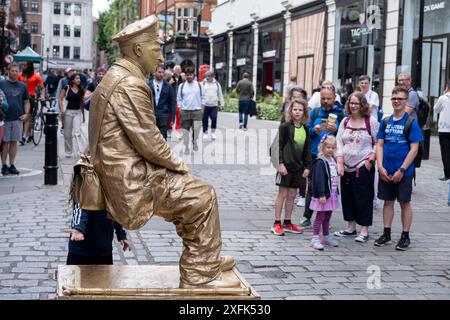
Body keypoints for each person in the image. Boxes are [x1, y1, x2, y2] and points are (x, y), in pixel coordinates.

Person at [86, 15, 238, 289]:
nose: (160, 57)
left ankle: (205, 257)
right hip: (128, 182)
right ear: (138, 50)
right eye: (156, 49)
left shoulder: (114, 76)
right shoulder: (130, 84)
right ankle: (200, 272)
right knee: (203, 195)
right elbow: (150, 142)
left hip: (117, 173)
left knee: (192, 196)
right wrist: (181, 166)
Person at [374, 86, 423, 251]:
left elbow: (414, 149)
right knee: (388, 202)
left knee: (404, 203)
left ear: (405, 101)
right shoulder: (385, 121)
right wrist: (380, 166)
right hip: (386, 170)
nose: (396, 101)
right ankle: (386, 233)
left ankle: (405, 236)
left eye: (400, 99)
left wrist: (402, 170)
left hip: (404, 172)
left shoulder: (411, 122)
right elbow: (380, 145)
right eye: (394, 98)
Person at [335, 92, 378, 242]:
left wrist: (370, 161)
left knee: (364, 197)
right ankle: (350, 227)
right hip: (346, 167)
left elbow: (378, 142)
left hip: (362, 165)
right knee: (347, 197)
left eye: (356, 103)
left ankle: (364, 230)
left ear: (362, 105)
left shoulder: (370, 121)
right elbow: (339, 141)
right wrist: (340, 161)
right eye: (351, 103)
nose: (353, 106)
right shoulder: (345, 121)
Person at [300, 87, 344, 228]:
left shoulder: (340, 114)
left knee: (330, 186)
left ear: (334, 98)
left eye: (328, 98)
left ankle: (325, 218)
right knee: (312, 186)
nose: (325, 101)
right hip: (315, 155)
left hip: (332, 156)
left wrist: (336, 131)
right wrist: (314, 130)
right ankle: (307, 216)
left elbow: (344, 135)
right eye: (323, 98)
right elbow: (307, 132)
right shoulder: (315, 112)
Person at [272, 99, 311, 236]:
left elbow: (307, 150)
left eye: (300, 110)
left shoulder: (305, 129)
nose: (297, 112)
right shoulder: (285, 127)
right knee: (282, 194)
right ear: (290, 111)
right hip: (285, 167)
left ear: (304, 112)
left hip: (297, 168)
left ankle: (287, 222)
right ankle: (276, 223)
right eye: (295, 109)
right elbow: (276, 147)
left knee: (292, 195)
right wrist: (280, 164)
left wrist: (307, 166)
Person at [65, 202, 131, 265]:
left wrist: (121, 233)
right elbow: (81, 208)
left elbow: (116, 210)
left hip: (104, 249)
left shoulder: (113, 190)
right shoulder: (83, 190)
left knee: (104, 276)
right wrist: (78, 228)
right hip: (81, 251)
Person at [309, 135, 340, 250]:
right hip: (323, 195)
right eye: (328, 147)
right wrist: (321, 194)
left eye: (333, 147)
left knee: (327, 216)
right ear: (322, 147)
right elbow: (319, 179)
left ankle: (326, 236)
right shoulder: (320, 162)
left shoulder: (333, 160)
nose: (330, 150)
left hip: (331, 194)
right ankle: (315, 238)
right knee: (320, 216)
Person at [0, 63, 30, 176]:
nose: (15, 73)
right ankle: (4, 165)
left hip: (17, 118)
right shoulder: (2, 83)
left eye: (17, 71)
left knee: (14, 142)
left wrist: (26, 113)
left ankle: (12, 164)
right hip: (5, 118)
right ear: (8, 71)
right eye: (13, 71)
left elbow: (26, 101)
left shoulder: (22, 86)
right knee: (5, 143)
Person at [177, 67, 204, 153]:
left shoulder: (199, 85)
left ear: (193, 75)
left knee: (196, 129)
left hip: (197, 111)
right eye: (187, 75)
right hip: (185, 111)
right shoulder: (182, 86)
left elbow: (203, 97)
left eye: (190, 75)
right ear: (185, 76)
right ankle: (186, 146)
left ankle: (194, 141)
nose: (189, 76)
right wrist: (180, 108)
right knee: (185, 130)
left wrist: (202, 108)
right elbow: (179, 98)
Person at [18, 61, 46, 144]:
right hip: (20, 98)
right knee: (22, 117)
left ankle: (24, 136)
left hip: (31, 98)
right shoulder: (20, 75)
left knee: (28, 117)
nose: (23, 66)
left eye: (25, 65)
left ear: (29, 66)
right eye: (22, 65)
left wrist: (42, 96)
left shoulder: (36, 76)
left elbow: (42, 88)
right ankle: (28, 133)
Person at [59, 74, 85, 158]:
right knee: (67, 133)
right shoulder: (66, 88)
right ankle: (68, 152)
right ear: (73, 80)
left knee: (77, 132)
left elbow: (82, 102)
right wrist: (61, 110)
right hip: (68, 113)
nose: (79, 80)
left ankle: (79, 151)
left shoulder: (81, 89)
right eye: (77, 78)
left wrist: (83, 114)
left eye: (79, 78)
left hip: (77, 112)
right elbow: (60, 98)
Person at [148, 64, 176, 140]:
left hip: (163, 114)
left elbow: (172, 102)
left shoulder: (168, 86)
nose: (161, 74)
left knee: (163, 136)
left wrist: (173, 117)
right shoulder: (148, 85)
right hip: (150, 114)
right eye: (159, 72)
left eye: (163, 72)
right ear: (154, 72)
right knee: (151, 137)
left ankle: (163, 151)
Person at [433, 81, 450, 182]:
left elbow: (436, 109)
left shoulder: (443, 98)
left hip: (444, 130)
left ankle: (447, 174)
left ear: (447, 87)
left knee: (445, 152)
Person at [201, 71, 224, 140]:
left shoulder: (217, 84)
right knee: (205, 119)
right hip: (205, 105)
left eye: (209, 76)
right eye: (206, 76)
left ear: (212, 77)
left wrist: (222, 104)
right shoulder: (202, 84)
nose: (207, 78)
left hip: (214, 105)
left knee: (214, 118)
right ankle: (205, 133)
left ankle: (213, 132)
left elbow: (220, 94)